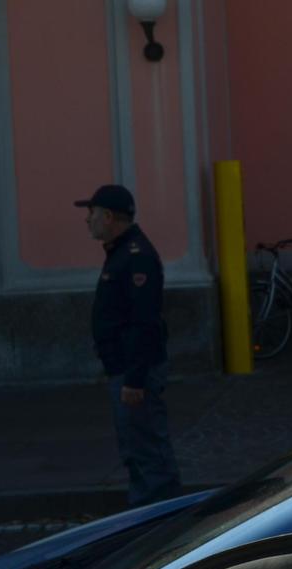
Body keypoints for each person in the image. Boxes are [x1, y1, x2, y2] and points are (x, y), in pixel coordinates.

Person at [75, 184, 182, 508]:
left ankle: (163, 524)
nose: (87, 221)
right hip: (123, 369)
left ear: (108, 217)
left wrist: (135, 379)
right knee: (135, 449)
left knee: (148, 450)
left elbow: (144, 322)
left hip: (135, 372)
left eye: (91, 214)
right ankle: (149, 519)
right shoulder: (120, 252)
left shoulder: (136, 257)